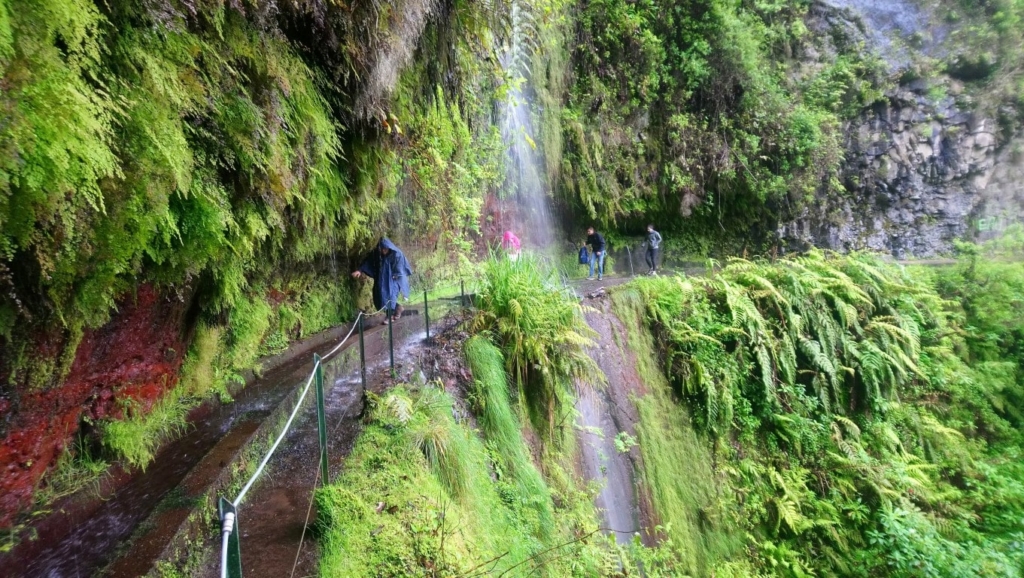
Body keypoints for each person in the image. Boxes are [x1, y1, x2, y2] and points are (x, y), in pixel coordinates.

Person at [352, 237, 413, 324]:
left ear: (389, 247)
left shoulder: (396, 254)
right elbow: (368, 261)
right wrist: (360, 270)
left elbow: (400, 267)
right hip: (381, 279)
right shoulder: (378, 254)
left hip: (393, 280)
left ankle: (390, 317)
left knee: (391, 296)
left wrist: (397, 277)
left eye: (385, 249)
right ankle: (398, 308)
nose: (383, 251)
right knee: (381, 298)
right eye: (382, 249)